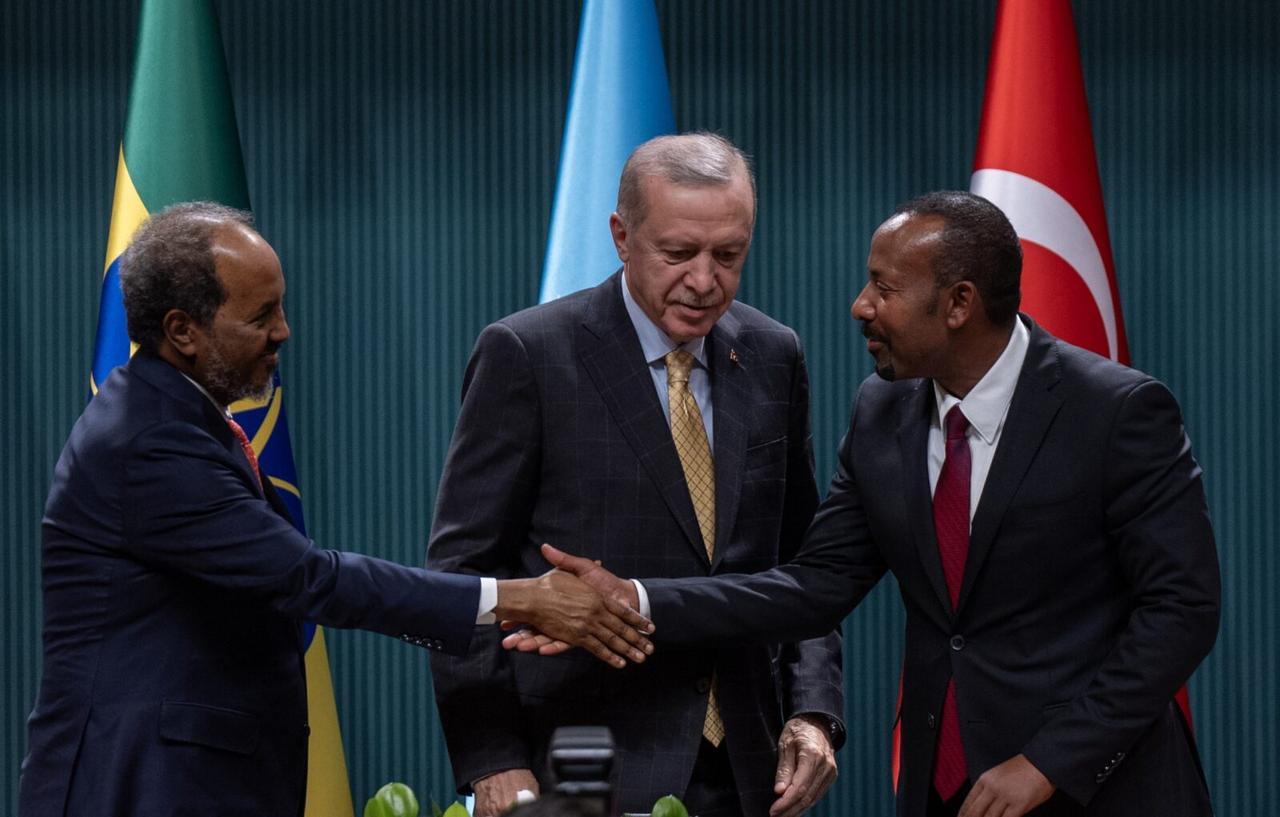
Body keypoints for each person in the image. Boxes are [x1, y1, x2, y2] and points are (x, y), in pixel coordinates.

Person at [522, 191, 1221, 817]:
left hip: (1099, 788)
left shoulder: (1115, 412)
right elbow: (814, 585)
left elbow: (1182, 609)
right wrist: (637, 599)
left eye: (884, 288)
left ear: (958, 304)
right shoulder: (882, 408)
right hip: (942, 788)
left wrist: (1048, 762)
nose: (861, 305)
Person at [18, 202, 652, 817]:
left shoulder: (178, 419)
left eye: (281, 306)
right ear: (183, 330)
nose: (283, 331)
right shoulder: (149, 441)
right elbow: (307, 579)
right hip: (140, 784)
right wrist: (520, 598)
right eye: (261, 315)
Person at [428, 133, 844, 817]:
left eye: (728, 255)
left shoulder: (774, 354)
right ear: (622, 236)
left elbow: (803, 565)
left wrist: (813, 710)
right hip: (583, 766)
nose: (704, 281)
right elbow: (463, 575)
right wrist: (491, 758)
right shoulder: (528, 353)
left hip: (751, 771)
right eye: (678, 253)